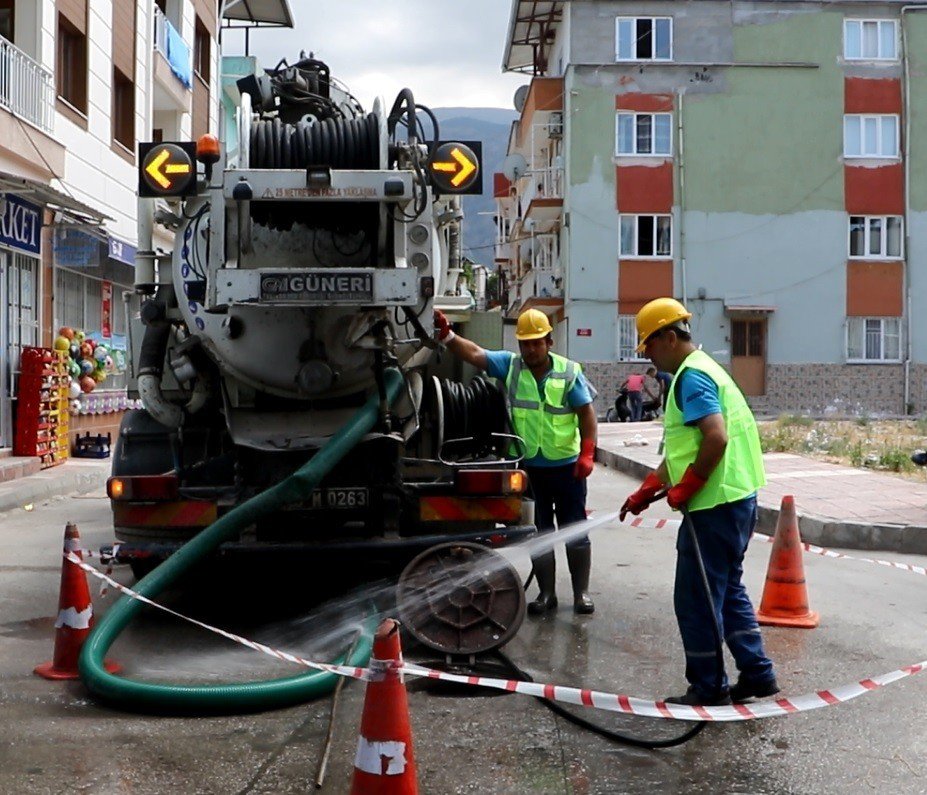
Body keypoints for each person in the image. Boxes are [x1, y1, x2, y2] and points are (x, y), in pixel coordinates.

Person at [618, 297, 778, 706]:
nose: (649, 357)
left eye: (650, 347)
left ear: (670, 338)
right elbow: (683, 451)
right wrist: (648, 489)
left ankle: (708, 687)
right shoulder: (703, 371)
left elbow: (716, 437)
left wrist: (690, 485)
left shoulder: (692, 378)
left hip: (715, 506)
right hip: (736, 499)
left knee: (696, 598)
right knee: (726, 591)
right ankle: (758, 673)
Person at [435, 307, 598, 615]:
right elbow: (474, 353)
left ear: (549, 341)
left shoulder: (568, 371)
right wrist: (448, 336)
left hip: (566, 466)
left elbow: (586, 414)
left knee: (574, 529)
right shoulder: (510, 366)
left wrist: (588, 453)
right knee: (539, 532)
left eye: (537, 342)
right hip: (528, 468)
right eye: (525, 343)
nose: (531, 349)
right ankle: (546, 594)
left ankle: (581, 595)